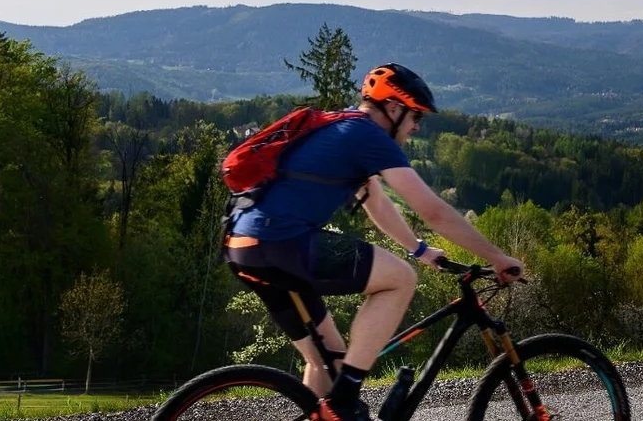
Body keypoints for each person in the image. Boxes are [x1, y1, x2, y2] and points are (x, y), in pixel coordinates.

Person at [223, 62, 526, 421]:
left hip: (243, 246)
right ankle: (345, 400)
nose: (416, 127)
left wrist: (421, 250)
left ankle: (332, 405)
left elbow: (377, 203)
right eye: (416, 117)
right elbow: (434, 211)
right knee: (400, 279)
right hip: (281, 242)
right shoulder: (368, 136)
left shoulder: (342, 126)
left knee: (327, 362)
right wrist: (496, 256)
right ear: (394, 108)